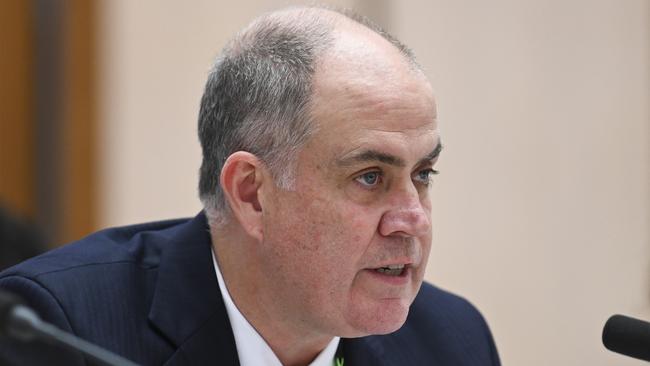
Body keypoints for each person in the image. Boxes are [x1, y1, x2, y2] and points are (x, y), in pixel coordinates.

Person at [0, 6, 500, 366]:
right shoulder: (59, 331)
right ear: (251, 194)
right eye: (370, 177)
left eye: (422, 175)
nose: (412, 218)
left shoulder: (451, 341)